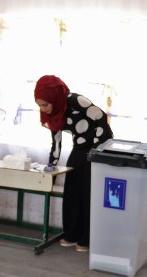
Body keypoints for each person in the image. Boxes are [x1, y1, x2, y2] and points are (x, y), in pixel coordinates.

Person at [34, 75, 113, 252]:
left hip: (99, 147)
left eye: (45, 104)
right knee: (71, 191)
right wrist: (50, 167)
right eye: (39, 105)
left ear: (54, 97)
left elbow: (101, 119)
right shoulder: (52, 114)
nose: (43, 109)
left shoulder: (76, 101)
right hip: (80, 147)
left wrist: (95, 151)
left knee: (87, 193)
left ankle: (86, 238)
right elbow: (56, 143)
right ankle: (71, 234)